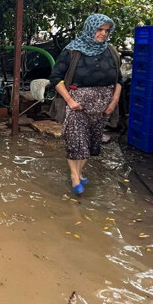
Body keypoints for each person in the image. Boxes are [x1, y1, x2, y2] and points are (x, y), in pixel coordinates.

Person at [48, 14, 122, 196]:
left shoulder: (111, 51)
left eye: (106, 30)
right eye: (99, 30)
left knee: (89, 144)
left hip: (102, 106)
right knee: (76, 141)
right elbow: (56, 77)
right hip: (77, 104)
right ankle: (75, 177)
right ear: (90, 29)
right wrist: (70, 101)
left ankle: (79, 173)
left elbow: (119, 80)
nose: (103, 34)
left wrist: (114, 101)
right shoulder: (73, 50)